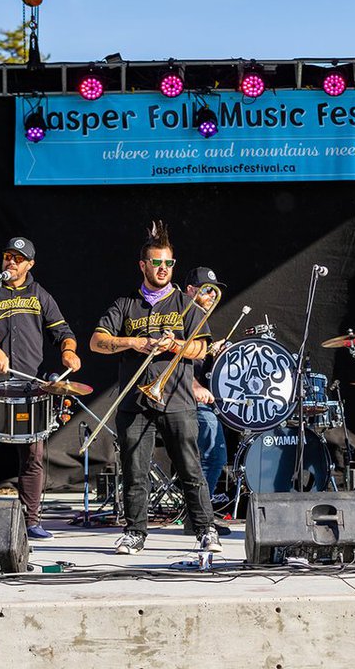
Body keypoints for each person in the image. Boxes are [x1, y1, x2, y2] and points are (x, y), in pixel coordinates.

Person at [90, 222, 221, 555]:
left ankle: (206, 530)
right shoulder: (125, 305)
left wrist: (175, 345)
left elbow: (201, 349)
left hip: (177, 399)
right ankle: (135, 532)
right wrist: (134, 342)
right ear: (143, 266)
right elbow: (96, 342)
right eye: (157, 263)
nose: (163, 269)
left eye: (168, 264)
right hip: (136, 402)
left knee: (190, 467)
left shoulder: (186, 305)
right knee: (135, 471)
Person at [0, 236, 80, 541]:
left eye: (18, 258)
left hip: (30, 386)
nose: (11, 262)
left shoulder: (40, 295)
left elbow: (63, 331)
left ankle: (31, 519)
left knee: (33, 455)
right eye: (7, 256)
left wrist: (69, 351)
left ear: (30, 264)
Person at [185, 266, 228, 504]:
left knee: (209, 455)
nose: (212, 296)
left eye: (214, 291)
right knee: (213, 455)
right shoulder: (188, 315)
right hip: (183, 396)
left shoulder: (199, 319)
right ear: (190, 290)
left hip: (188, 396)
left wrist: (213, 353)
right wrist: (194, 386)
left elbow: (193, 359)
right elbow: (176, 358)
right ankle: (200, 513)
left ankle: (199, 511)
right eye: (207, 290)